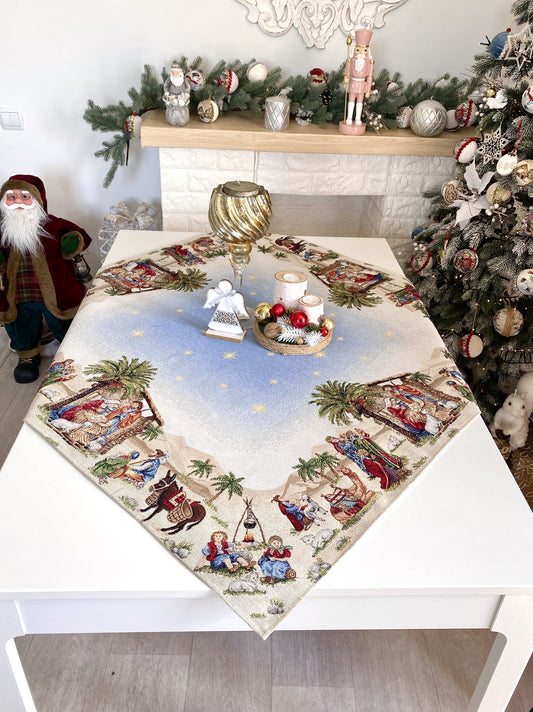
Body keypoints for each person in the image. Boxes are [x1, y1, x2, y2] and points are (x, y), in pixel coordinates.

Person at [0, 175, 91, 383]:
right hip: (18, 293)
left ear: (38, 199)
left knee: (62, 321)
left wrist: (71, 243)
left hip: (55, 290)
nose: (18, 202)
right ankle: (27, 355)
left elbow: (80, 235)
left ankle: (73, 350)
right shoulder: (3, 230)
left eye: (25, 196)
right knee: (20, 323)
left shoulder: (52, 225)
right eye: (12, 197)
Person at [339, 27, 374, 135]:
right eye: (358, 50)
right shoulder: (351, 60)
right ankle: (349, 117)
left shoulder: (369, 62)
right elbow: (348, 70)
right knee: (351, 100)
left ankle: (358, 118)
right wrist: (346, 77)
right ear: (354, 50)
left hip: (362, 84)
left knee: (359, 101)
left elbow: (370, 76)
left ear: (367, 51)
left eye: (364, 50)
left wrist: (368, 90)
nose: (361, 53)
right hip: (353, 82)